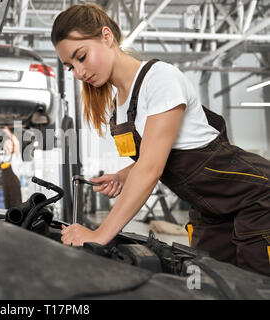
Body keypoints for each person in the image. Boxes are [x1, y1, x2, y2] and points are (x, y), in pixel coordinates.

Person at [53, 4, 270, 276]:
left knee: (255, 283)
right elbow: (158, 155)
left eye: (81, 57)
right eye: (70, 66)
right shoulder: (118, 105)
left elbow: (151, 168)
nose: (79, 72)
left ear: (106, 37)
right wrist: (122, 176)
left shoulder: (159, 78)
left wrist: (100, 233)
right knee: (214, 283)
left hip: (256, 198)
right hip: (211, 212)